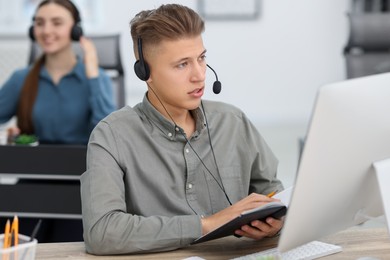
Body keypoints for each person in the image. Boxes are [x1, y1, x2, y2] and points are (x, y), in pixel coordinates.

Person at [81, 4, 284, 255]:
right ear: (145, 72)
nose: (199, 75)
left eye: (201, 58)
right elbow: (101, 232)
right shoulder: (111, 135)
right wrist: (206, 224)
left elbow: (273, 192)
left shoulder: (233, 121)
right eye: (182, 65)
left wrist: (276, 224)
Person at [0, 0, 115, 145]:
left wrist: (93, 75)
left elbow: (109, 135)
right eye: (40, 23)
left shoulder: (97, 78)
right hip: (34, 164)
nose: (46, 31)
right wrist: (7, 135)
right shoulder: (21, 79)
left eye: (57, 23)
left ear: (75, 30)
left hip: (82, 164)